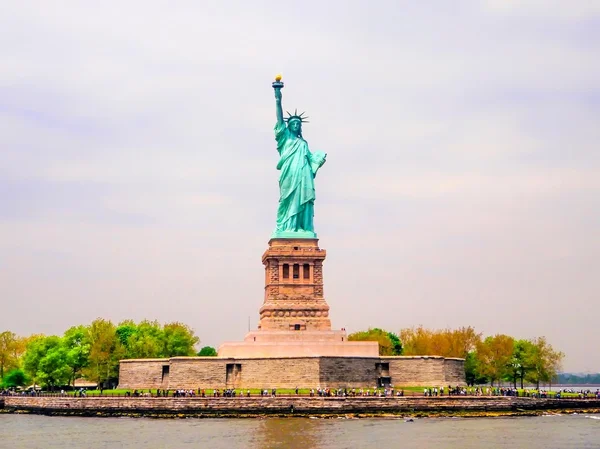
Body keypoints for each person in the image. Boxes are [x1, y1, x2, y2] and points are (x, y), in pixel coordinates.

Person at [272, 85, 326, 235]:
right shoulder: (285, 137)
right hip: (289, 174)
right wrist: (278, 98)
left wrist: (318, 160)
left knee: (302, 199)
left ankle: (300, 227)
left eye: (298, 124)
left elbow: (312, 161)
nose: (296, 125)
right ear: (288, 125)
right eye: (293, 123)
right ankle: (288, 227)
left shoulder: (304, 144)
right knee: (287, 200)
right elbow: (279, 118)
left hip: (304, 176)